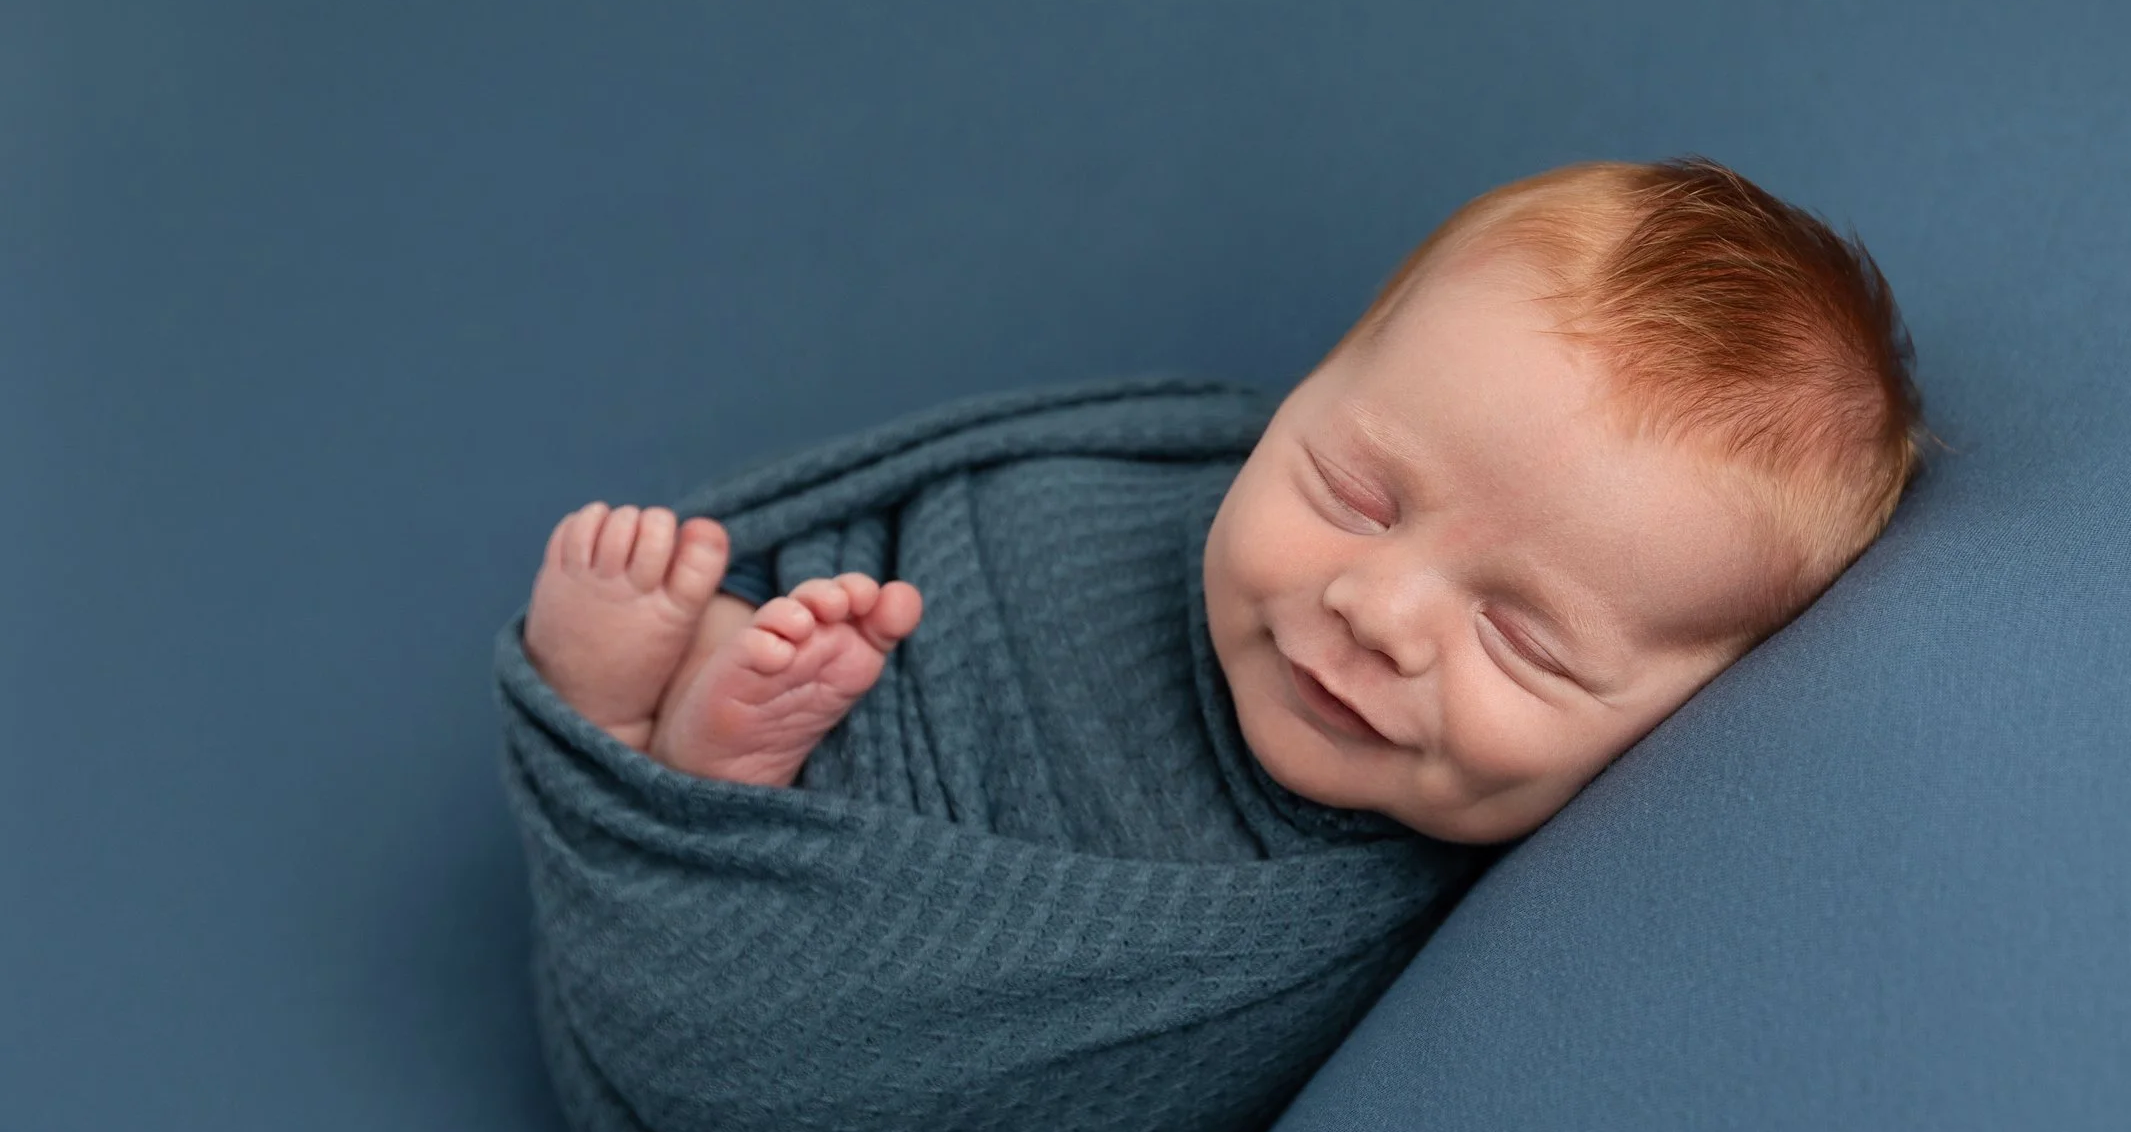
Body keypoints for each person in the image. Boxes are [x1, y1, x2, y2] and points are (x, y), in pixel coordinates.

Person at [518, 157, 1927, 845]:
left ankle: (711, 781)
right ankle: (671, 730)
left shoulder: (1373, 913)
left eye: (1525, 639)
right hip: (920, 684)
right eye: (1360, 493)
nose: (1374, 613)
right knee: (840, 631)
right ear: (1308, 385)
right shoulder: (1108, 515)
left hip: (873, 1045)